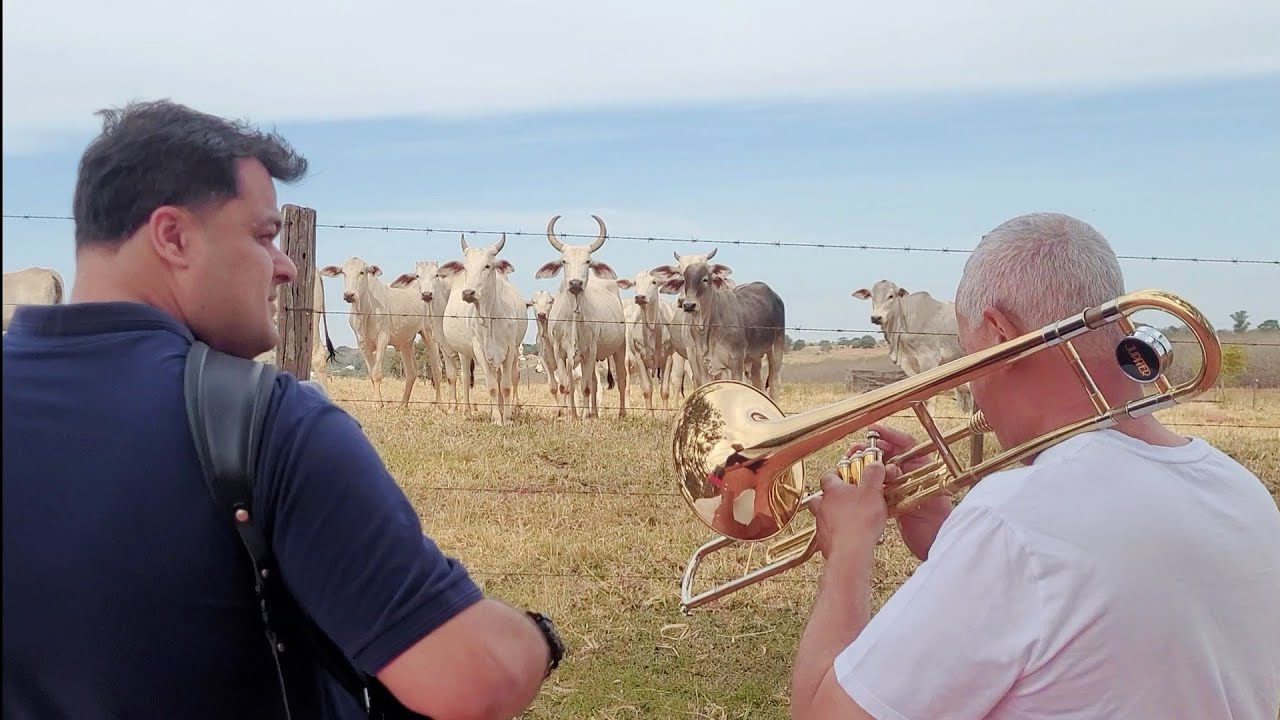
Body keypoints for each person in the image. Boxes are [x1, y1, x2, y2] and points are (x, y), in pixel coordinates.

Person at [2, 99, 562, 720]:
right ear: (173, 236)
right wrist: (538, 637)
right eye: (263, 236)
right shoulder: (268, 426)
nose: (287, 267)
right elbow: (473, 680)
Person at [788, 212, 1280, 719]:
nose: (970, 378)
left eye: (968, 349)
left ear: (1000, 336)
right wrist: (948, 532)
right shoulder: (1242, 492)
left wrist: (848, 549)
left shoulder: (1013, 518)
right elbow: (1088, 603)